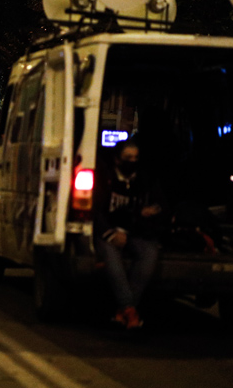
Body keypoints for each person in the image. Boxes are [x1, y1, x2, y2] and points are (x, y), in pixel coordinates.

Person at [94, 139, 168, 330]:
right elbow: (96, 211)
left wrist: (150, 213)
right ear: (117, 159)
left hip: (137, 232)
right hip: (109, 233)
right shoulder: (105, 177)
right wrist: (110, 233)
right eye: (128, 158)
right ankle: (130, 309)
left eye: (136, 158)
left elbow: (159, 205)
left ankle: (125, 310)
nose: (132, 161)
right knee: (112, 257)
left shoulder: (145, 179)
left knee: (149, 255)